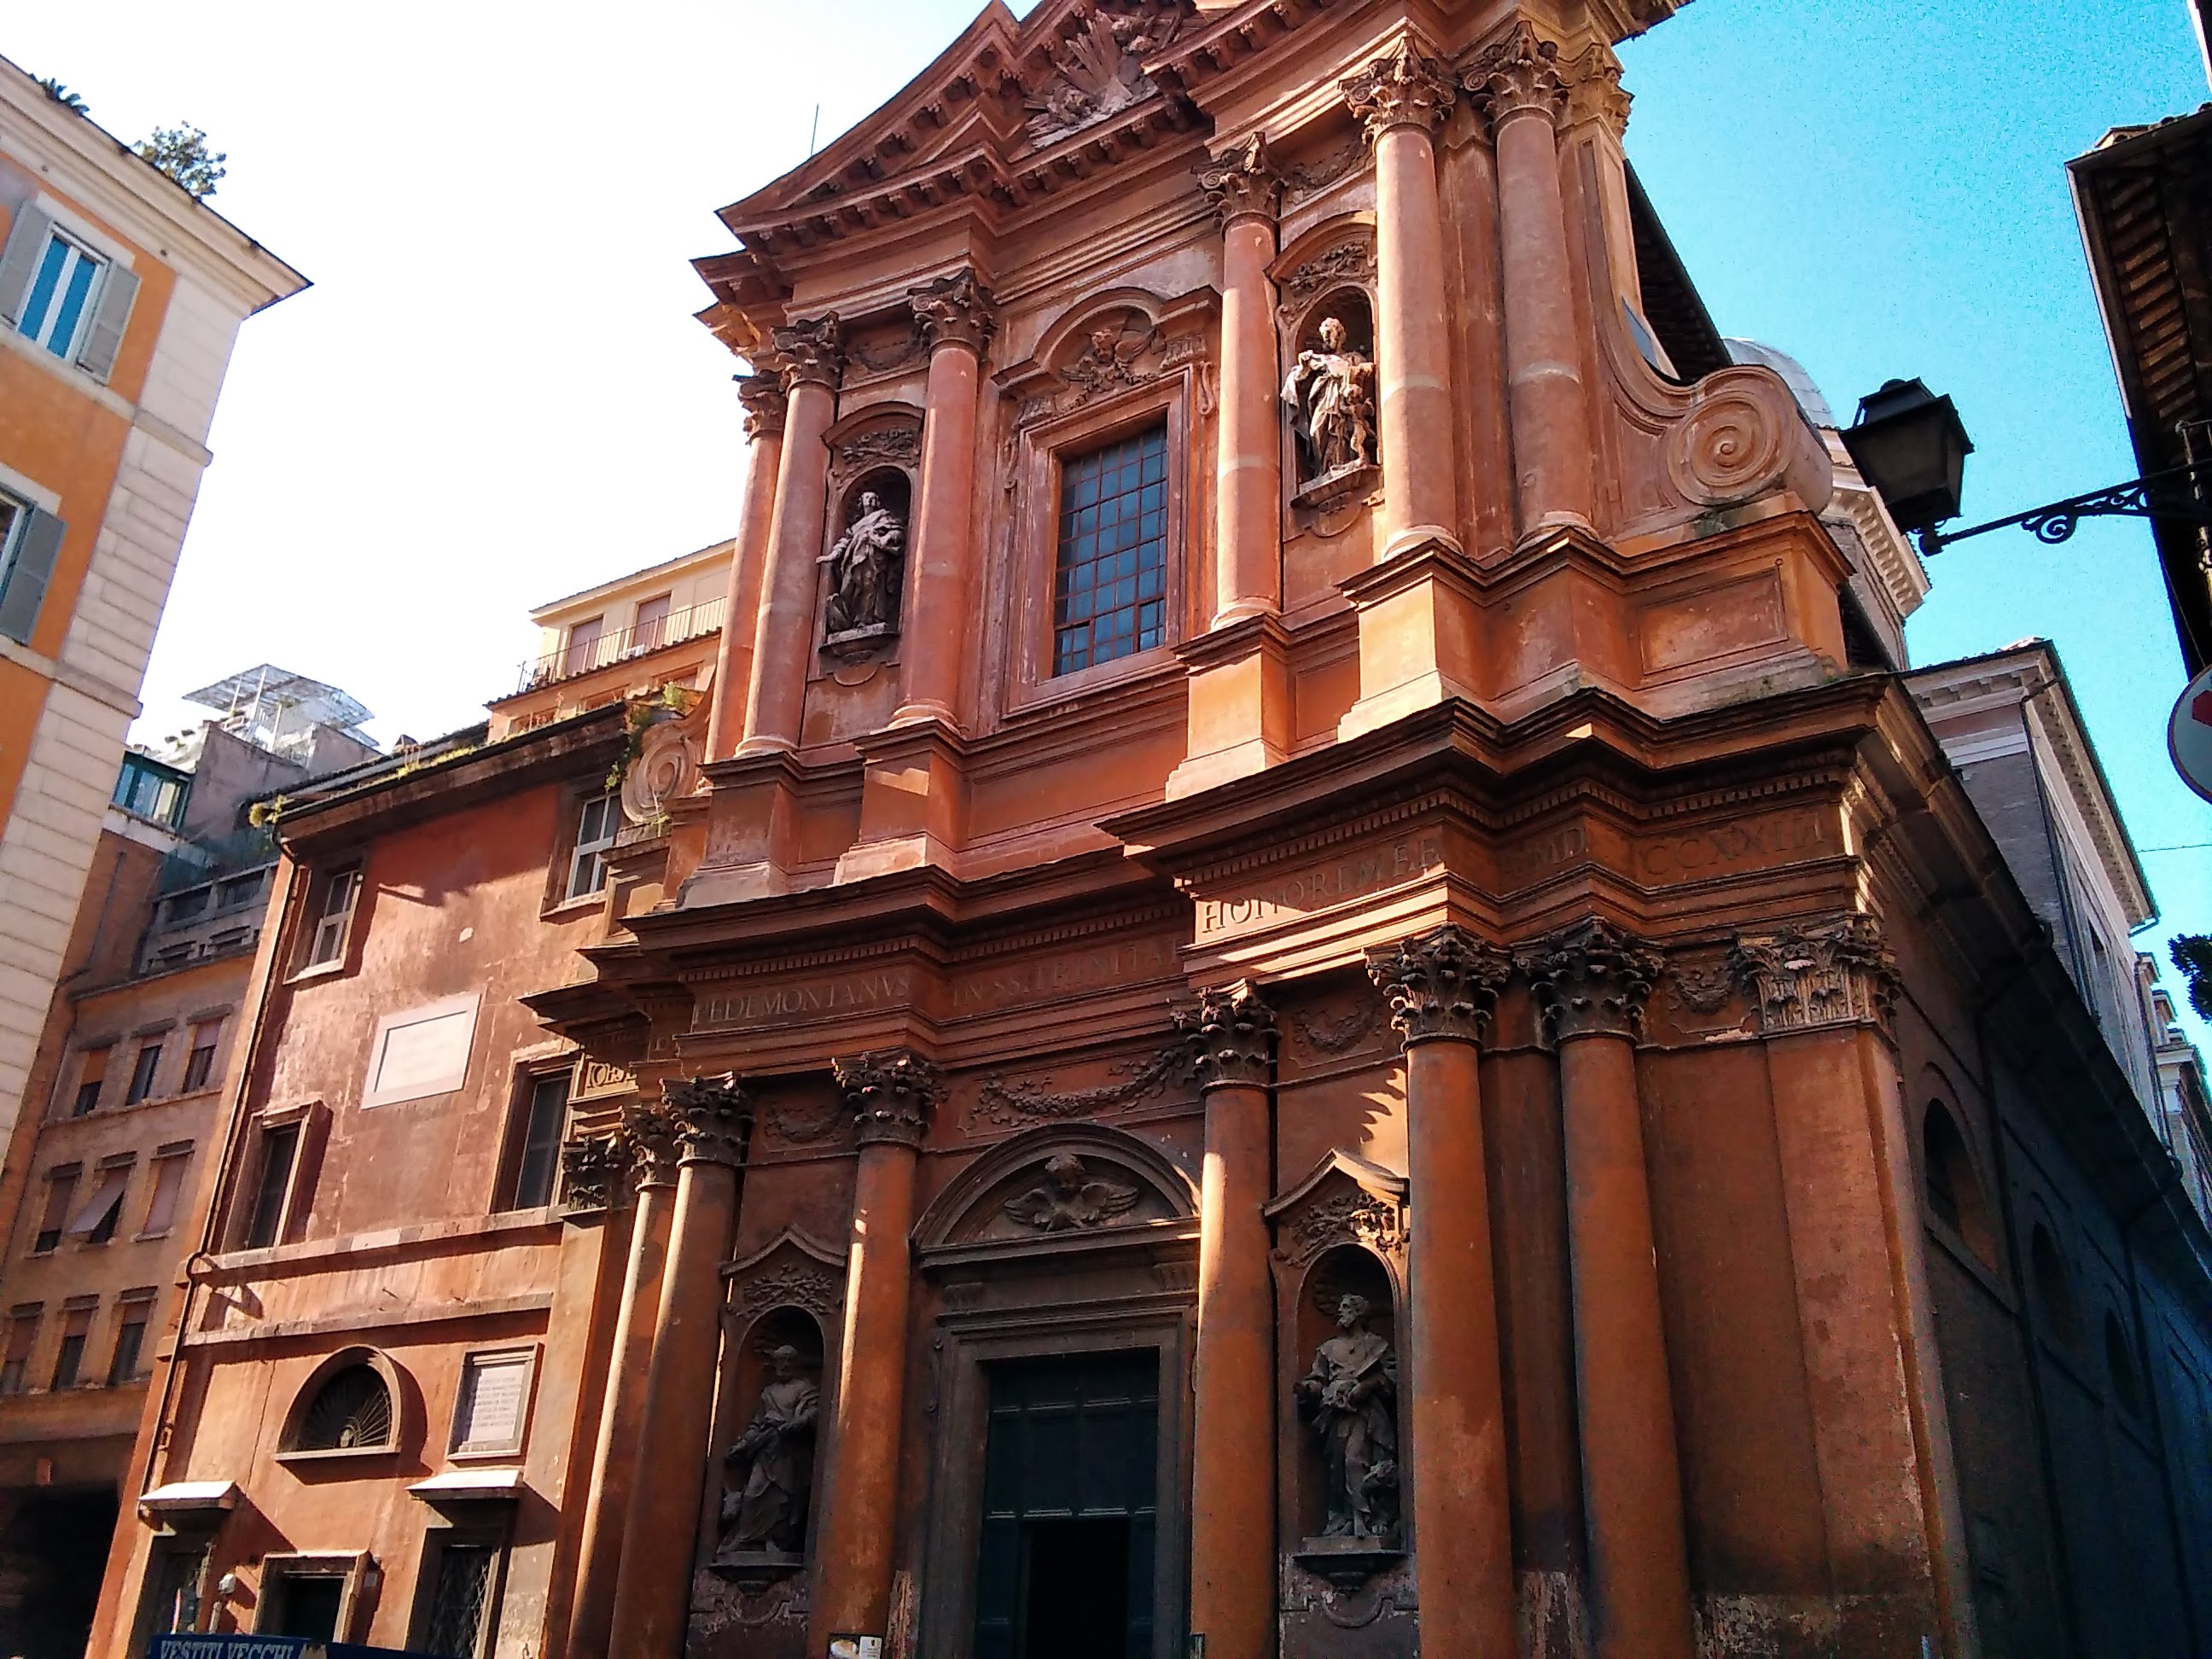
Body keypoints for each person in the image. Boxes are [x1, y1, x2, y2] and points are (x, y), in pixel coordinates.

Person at [1296, 1292, 1399, 1538]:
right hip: (1335, 1414)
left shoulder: (1376, 1345)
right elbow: (1318, 1379)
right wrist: (1309, 1389)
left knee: (1356, 1460)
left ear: (1359, 1313)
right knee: (1337, 1467)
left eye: (1345, 1308)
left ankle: (1367, 1517)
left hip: (1366, 1414)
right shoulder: (1328, 1349)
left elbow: (1392, 1375)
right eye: (1340, 1307)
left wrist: (1368, 1386)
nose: (1340, 1312)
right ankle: (1342, 1519)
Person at [717, 1345, 819, 1556]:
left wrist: (796, 1424)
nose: (784, 1365)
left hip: (789, 1449)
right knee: (752, 1494)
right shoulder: (768, 1393)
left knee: (785, 1496)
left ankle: (776, 1541)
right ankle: (746, 1538)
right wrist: (742, 1444)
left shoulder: (804, 1387)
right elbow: (757, 1423)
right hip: (766, 1447)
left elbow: (813, 1411)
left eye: (788, 1361)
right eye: (780, 1361)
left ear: (795, 1364)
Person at [1280, 315, 1376, 482]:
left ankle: (1343, 461)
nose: (1326, 339)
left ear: (1338, 335)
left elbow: (1366, 370)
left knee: (1342, 432)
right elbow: (1297, 386)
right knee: (1316, 430)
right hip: (1324, 400)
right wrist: (1303, 368)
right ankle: (1324, 469)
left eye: (1329, 334)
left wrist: (1350, 372)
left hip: (1343, 403)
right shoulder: (1321, 360)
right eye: (1324, 336)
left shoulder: (1351, 357)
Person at [820, 491, 905, 635]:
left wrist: (885, 539)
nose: (870, 501)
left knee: (870, 586)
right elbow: (844, 542)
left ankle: (867, 620)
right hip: (853, 561)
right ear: (862, 502)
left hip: (873, 558)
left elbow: (896, 531)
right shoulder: (856, 526)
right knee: (849, 588)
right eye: (867, 498)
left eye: (873, 498)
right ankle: (853, 620)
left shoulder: (883, 516)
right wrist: (832, 555)